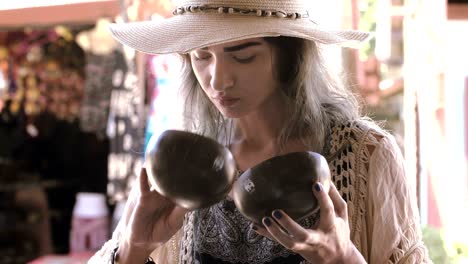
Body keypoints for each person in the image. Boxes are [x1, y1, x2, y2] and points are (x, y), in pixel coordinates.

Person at [90, 0, 432, 263]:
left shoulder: (364, 154)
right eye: (201, 56)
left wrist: (345, 259)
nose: (218, 80)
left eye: (244, 56)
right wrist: (134, 248)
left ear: (289, 55)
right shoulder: (181, 165)